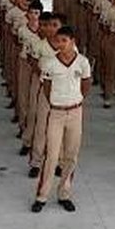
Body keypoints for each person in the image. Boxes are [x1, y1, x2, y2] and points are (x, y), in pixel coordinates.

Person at [31, 25, 91, 213]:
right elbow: (46, 87)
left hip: (75, 112)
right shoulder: (50, 64)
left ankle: (64, 192)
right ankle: (42, 195)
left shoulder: (82, 62)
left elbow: (86, 85)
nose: (60, 45)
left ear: (72, 42)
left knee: (71, 156)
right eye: (58, 41)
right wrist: (56, 101)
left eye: (64, 41)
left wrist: (75, 100)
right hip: (56, 113)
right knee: (52, 156)